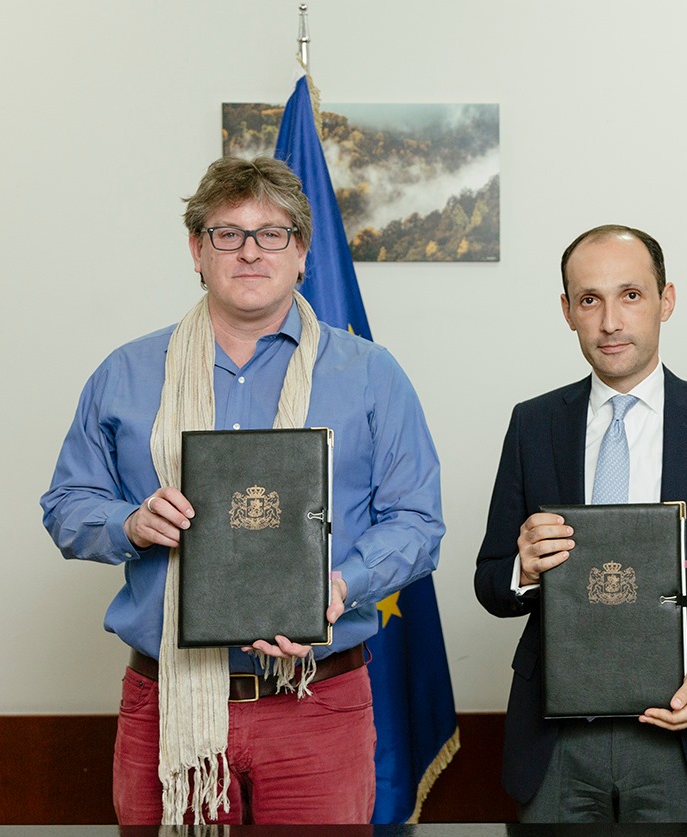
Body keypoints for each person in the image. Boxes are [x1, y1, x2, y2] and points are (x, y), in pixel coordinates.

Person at [40, 156, 444, 826]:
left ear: (302, 252)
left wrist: (340, 585)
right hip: (168, 703)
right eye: (228, 233)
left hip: (318, 702)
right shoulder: (126, 373)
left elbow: (417, 522)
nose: (250, 251)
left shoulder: (372, 375)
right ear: (197, 250)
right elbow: (66, 506)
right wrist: (129, 523)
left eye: (272, 233)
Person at [474, 224, 687, 822]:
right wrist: (522, 570)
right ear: (567, 311)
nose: (610, 322)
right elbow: (490, 581)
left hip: (685, 735)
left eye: (630, 295)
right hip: (556, 740)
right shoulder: (533, 425)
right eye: (589, 300)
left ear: (665, 301)